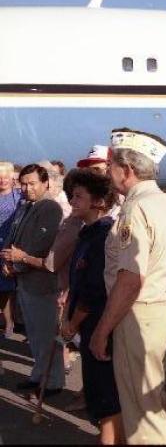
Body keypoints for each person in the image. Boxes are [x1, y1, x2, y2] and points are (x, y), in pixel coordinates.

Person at [89, 128, 166, 444]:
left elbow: (131, 278)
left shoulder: (135, 207)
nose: (109, 173)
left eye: (112, 166)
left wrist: (102, 330)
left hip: (138, 317)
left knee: (142, 416)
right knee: (162, 408)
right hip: (165, 314)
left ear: (126, 170)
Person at [59, 169, 123, 444]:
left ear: (98, 201)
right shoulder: (87, 234)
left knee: (105, 391)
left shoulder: (103, 235)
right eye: (72, 195)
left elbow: (94, 290)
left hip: (98, 323)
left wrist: (72, 323)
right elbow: (77, 283)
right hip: (86, 324)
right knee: (98, 389)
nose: (72, 201)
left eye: (78, 196)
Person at [0, 164, 64, 396]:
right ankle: (38, 375)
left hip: (41, 282)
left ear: (45, 183)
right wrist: (7, 262)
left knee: (46, 334)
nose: (27, 188)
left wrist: (17, 264)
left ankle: (53, 381)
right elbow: (12, 236)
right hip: (24, 281)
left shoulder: (49, 208)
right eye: (23, 184)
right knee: (35, 334)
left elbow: (41, 244)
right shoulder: (26, 207)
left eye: (32, 184)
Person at [0, 161, 22, 338]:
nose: (2, 180)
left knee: (8, 288)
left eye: (5, 176)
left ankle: (10, 323)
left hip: (10, 246)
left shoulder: (19, 196)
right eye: (0, 177)